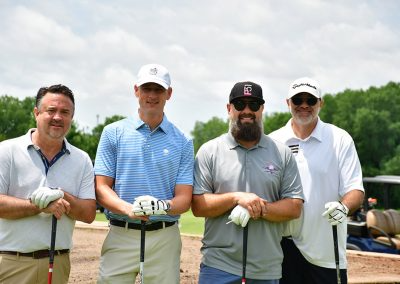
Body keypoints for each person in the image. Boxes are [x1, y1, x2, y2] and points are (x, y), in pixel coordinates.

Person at [192, 81, 304, 284]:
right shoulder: (210, 151)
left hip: (266, 268)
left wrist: (257, 208)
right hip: (218, 266)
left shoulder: (282, 153)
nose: (247, 111)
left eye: (253, 105)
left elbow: (295, 207)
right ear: (229, 109)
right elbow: (198, 206)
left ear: (262, 109)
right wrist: (236, 198)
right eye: (239, 104)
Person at [94, 63, 194, 283]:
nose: (152, 95)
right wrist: (128, 209)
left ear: (169, 93)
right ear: (136, 90)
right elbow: (101, 188)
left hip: (164, 237)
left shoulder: (183, 141)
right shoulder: (113, 133)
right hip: (121, 233)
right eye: (146, 88)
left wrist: (162, 206)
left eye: (158, 89)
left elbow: (185, 198)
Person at [269, 77, 365, 284]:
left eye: (310, 100)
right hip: (281, 248)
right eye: (298, 100)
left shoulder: (339, 139)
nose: (304, 105)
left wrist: (343, 207)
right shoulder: (272, 141)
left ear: (320, 103)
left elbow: (355, 189)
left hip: (326, 251)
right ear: (288, 103)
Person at [0, 84, 96, 284]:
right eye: (51, 110)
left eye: (65, 112)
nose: (58, 117)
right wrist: (39, 205)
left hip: (58, 263)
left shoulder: (82, 159)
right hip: (11, 262)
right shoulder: (6, 151)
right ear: (36, 113)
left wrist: (60, 195)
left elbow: (88, 213)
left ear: (71, 117)